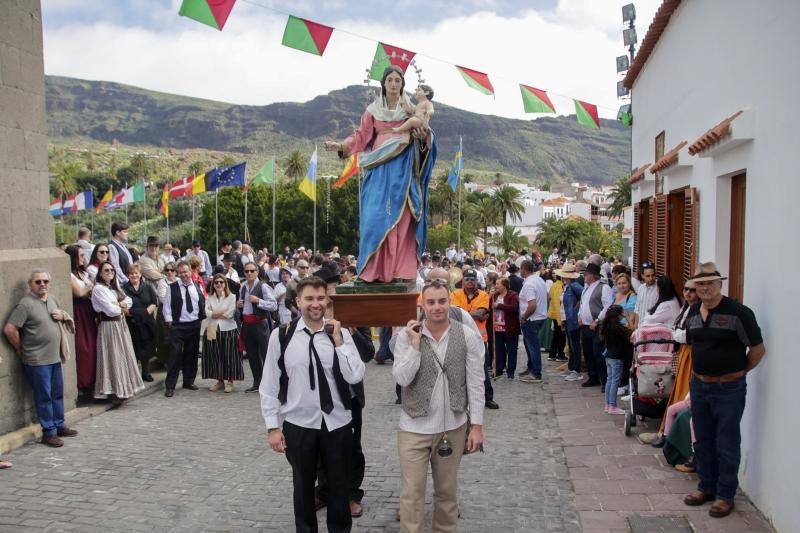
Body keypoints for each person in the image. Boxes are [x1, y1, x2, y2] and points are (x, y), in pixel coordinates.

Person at [260, 276, 366, 533]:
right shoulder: (281, 336)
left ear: (326, 300)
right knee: (303, 489)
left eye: (320, 298)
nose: (315, 304)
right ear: (298, 301)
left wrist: (339, 342)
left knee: (339, 488)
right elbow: (269, 384)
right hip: (299, 425)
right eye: (309, 298)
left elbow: (355, 375)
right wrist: (273, 427)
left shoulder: (340, 333)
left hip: (337, 423)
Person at [324, 65, 436, 282]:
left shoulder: (411, 110)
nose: (394, 83)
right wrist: (341, 146)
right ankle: (373, 269)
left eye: (398, 80)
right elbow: (360, 136)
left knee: (403, 217)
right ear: (383, 83)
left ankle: (400, 271)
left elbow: (425, 134)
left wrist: (424, 137)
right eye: (390, 80)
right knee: (374, 216)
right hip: (378, 167)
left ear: (403, 84)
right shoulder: (372, 111)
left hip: (403, 168)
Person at [392, 280, 485, 532]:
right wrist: (415, 346)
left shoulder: (466, 335)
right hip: (413, 428)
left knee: (447, 493)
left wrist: (477, 426)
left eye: (442, 301)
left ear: (449, 302)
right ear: (422, 305)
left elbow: (476, 382)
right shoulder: (406, 335)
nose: (437, 307)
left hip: (453, 428)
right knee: (412, 495)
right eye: (431, 302)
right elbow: (402, 379)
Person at [682, 263, 765, 518]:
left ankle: (725, 495)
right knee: (703, 439)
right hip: (699, 385)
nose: (705, 288)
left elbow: (758, 350)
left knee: (727, 442)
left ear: (720, 284)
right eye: (701, 284)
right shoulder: (693, 311)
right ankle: (706, 486)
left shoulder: (739, 313)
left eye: (710, 283)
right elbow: (693, 344)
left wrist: (738, 373)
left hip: (728, 388)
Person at [313, 262, 376, 519]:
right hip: (318, 394)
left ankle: (351, 494)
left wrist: (351, 331)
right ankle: (324, 491)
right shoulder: (311, 316)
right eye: (323, 289)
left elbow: (368, 353)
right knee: (319, 445)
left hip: (348, 394)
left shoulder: (353, 313)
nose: (328, 293)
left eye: (331, 287)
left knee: (351, 446)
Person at [4, 269, 78, 447]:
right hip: (37, 360)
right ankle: (49, 432)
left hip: (54, 357)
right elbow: (9, 329)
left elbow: (59, 316)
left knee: (57, 394)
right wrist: (20, 348)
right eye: (38, 282)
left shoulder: (51, 299)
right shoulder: (25, 304)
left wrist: (62, 316)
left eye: (45, 281)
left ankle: (59, 425)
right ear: (30, 284)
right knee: (44, 396)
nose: (42, 284)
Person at [91, 261, 145, 404]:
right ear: (100, 273)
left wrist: (120, 304)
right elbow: (111, 310)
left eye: (112, 270)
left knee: (123, 356)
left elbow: (129, 300)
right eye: (106, 270)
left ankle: (124, 389)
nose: (110, 272)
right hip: (109, 326)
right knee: (112, 356)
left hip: (120, 325)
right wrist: (120, 306)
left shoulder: (114, 287)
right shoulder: (98, 289)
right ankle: (113, 391)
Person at [450, 269, 498, 409]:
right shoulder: (455, 294)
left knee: (482, 369)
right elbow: (454, 314)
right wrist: (475, 314)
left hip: (479, 339)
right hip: (459, 337)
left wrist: (463, 313)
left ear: (476, 281)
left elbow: (481, 312)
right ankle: (460, 398)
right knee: (458, 369)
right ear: (463, 280)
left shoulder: (484, 295)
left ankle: (488, 398)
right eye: (467, 278)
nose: (470, 281)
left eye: (472, 278)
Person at [162, 260, 205, 398]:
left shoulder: (197, 285)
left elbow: (201, 303)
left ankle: (188, 381)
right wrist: (169, 322)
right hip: (178, 326)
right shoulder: (172, 287)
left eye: (185, 272)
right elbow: (166, 306)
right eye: (180, 273)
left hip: (194, 325)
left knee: (191, 355)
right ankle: (170, 386)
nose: (183, 275)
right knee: (175, 356)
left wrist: (201, 319)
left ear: (190, 271)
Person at [238, 261, 278, 392]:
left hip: (260, 323)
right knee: (252, 355)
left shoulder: (263, 286)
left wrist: (258, 301)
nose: (249, 273)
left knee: (265, 353)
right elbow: (242, 305)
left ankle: (270, 383)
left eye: (252, 271)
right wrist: (239, 305)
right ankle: (257, 382)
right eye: (247, 271)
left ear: (257, 272)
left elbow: (273, 305)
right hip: (247, 324)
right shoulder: (243, 287)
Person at [202, 273, 242, 393]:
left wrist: (214, 313)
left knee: (229, 355)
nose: (219, 284)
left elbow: (230, 314)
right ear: (213, 284)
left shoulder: (232, 297)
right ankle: (219, 381)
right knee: (214, 355)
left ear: (225, 284)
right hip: (212, 328)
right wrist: (221, 311)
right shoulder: (209, 297)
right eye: (216, 282)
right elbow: (207, 313)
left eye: (221, 282)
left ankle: (230, 381)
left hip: (228, 329)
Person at [66, 245, 98, 395]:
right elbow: (78, 293)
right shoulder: (69, 275)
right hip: (79, 311)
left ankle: (93, 381)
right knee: (84, 347)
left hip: (89, 309)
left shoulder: (83, 272)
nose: (84, 258)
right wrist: (90, 288)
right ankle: (83, 383)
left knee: (93, 344)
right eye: (81, 255)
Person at [578, 263, 613, 387]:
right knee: (588, 353)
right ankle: (593, 377)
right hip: (586, 325)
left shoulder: (604, 287)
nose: (584, 277)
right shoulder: (586, 288)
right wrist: (580, 316)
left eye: (586, 274)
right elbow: (582, 304)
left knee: (598, 353)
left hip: (597, 326)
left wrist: (597, 320)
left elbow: (608, 306)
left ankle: (604, 380)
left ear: (592, 275)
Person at [122, 264, 158, 382]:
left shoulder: (148, 287)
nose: (134, 275)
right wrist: (139, 313)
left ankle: (145, 372)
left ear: (140, 274)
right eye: (131, 273)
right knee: (133, 348)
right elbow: (123, 308)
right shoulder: (123, 289)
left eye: (136, 273)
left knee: (146, 348)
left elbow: (154, 303)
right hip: (132, 323)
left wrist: (145, 313)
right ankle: (133, 375)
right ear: (128, 275)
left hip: (147, 323)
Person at [598, 305, 632, 415]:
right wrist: (627, 317)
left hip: (608, 356)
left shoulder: (607, 325)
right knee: (615, 382)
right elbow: (632, 331)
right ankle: (612, 406)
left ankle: (608, 405)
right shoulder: (617, 327)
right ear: (619, 314)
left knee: (609, 380)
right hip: (616, 357)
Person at [518, 260, 548, 383]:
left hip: (531, 319)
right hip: (539, 317)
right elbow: (548, 297)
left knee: (533, 346)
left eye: (520, 269)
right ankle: (531, 368)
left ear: (523, 269)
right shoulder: (539, 280)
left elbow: (532, 305)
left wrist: (524, 317)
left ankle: (536, 373)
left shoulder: (529, 284)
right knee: (529, 344)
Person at [555, 264, 583, 382]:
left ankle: (576, 370)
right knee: (571, 345)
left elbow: (584, 296)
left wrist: (577, 308)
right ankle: (572, 368)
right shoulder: (568, 286)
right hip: (568, 319)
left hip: (573, 320)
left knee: (574, 345)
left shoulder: (574, 286)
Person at [491, 277, 520, 379]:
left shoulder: (513, 295)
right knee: (499, 350)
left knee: (511, 350)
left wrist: (499, 305)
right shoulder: (494, 295)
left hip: (510, 327)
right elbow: (488, 306)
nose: (496, 286)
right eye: (496, 284)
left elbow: (514, 308)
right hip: (497, 327)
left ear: (504, 285)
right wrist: (489, 297)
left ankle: (510, 371)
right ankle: (499, 369)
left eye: (498, 284)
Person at [547, 272, 566, 362]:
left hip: (553, 313)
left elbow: (549, 297)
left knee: (556, 334)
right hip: (559, 314)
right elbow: (560, 302)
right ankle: (560, 355)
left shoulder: (554, 285)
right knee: (561, 335)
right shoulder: (561, 287)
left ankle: (552, 354)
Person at [632, 262, 658, 330]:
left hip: (652, 328)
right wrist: (635, 326)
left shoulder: (659, 288)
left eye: (653, 275)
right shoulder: (641, 288)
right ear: (642, 276)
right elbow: (637, 309)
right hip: (640, 327)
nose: (651, 278)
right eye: (648, 276)